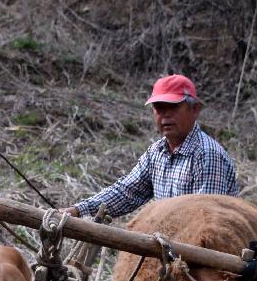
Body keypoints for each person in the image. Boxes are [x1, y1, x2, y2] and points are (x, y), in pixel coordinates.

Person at [62, 74, 239, 219]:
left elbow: (204, 220)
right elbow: (126, 193)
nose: (166, 116)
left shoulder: (207, 155)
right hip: (167, 245)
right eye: (159, 108)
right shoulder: (156, 152)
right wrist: (78, 210)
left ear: (195, 110)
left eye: (174, 107)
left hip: (203, 254)